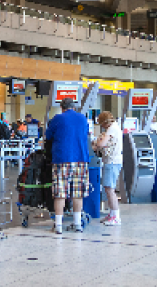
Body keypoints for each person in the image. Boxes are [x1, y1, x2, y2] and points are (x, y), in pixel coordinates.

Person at [45, 98, 90, 234]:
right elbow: (86, 135)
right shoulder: (83, 118)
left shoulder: (58, 118)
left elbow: (48, 136)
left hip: (62, 159)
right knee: (78, 193)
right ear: (74, 107)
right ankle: (77, 224)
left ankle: (58, 225)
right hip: (81, 159)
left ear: (62, 107)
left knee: (60, 193)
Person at [93, 112, 122, 226]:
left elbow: (101, 144)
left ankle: (116, 217)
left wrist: (97, 143)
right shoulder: (115, 127)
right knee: (108, 189)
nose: (102, 127)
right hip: (113, 161)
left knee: (110, 190)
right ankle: (112, 213)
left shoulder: (111, 129)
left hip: (112, 162)